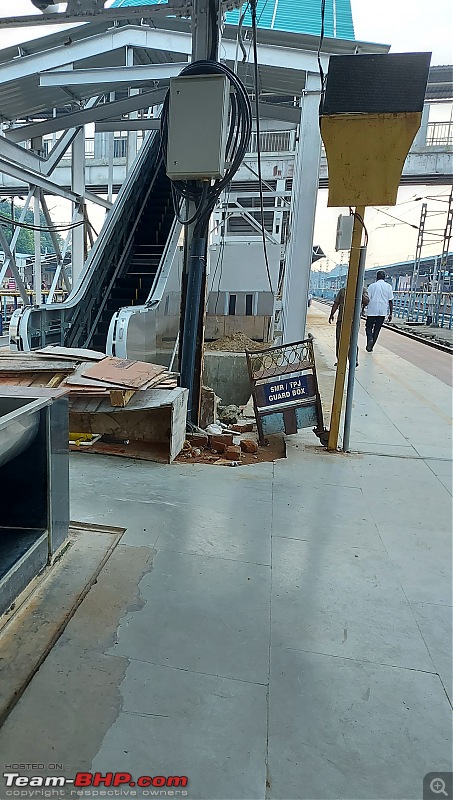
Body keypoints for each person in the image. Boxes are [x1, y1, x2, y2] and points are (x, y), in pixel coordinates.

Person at [329, 285, 369, 366]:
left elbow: (366, 301)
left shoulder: (362, 290)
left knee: (352, 340)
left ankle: (353, 359)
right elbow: (336, 303)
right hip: (342, 319)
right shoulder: (343, 290)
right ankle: (340, 360)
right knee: (339, 340)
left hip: (354, 321)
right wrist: (331, 314)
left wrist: (359, 291)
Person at [365, 271, 393, 352]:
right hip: (382, 311)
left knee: (368, 327)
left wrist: (363, 309)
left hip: (372, 311)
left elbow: (367, 299)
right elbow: (390, 301)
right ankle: (371, 346)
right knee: (377, 329)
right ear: (384, 277)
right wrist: (390, 314)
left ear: (376, 277)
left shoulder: (371, 286)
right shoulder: (388, 287)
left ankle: (370, 339)